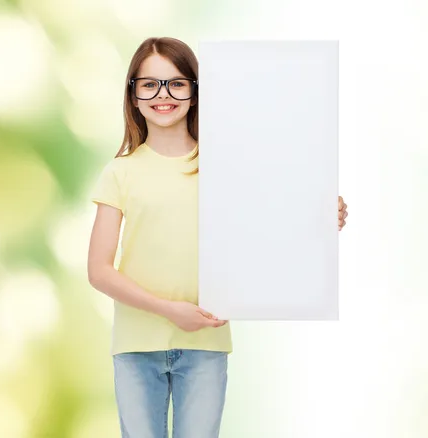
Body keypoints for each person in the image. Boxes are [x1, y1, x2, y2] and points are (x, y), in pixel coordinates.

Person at [87, 36, 348, 438]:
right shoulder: (120, 172)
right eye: (150, 84)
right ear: (133, 96)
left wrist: (319, 215)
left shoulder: (227, 165)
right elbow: (99, 271)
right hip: (136, 346)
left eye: (177, 83)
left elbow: (270, 224)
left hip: (206, 343)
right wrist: (170, 309)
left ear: (195, 92)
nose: (164, 95)